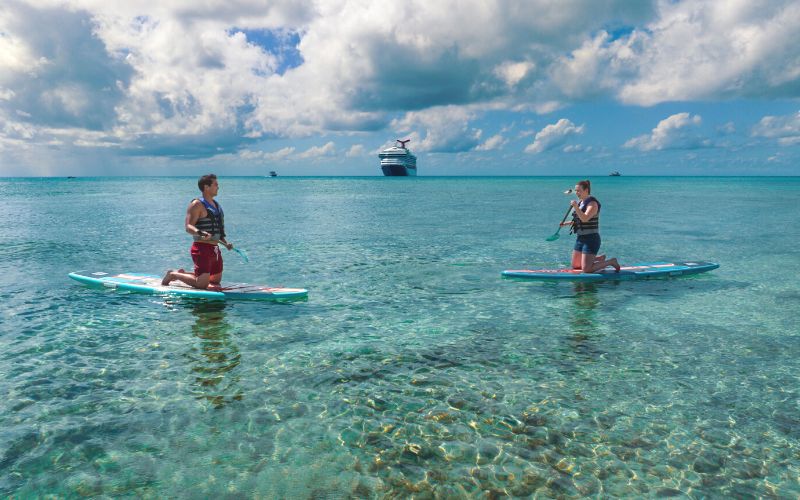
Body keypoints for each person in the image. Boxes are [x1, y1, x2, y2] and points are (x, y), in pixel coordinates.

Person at [162, 174, 233, 289]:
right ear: (206, 187)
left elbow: (219, 229)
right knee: (202, 284)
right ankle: (172, 274)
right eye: (215, 185)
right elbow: (188, 226)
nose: (218, 187)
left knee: (215, 282)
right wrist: (200, 233)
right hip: (202, 248)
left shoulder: (217, 206)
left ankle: (183, 274)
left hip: (215, 249)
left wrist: (226, 243)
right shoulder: (197, 204)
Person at [560, 179, 621, 273]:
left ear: (586, 190)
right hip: (580, 238)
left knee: (586, 269)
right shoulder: (581, 203)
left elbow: (585, 218)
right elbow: (579, 220)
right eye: (575, 190)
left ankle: (611, 261)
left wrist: (575, 207)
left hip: (591, 239)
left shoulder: (592, 203)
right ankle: (599, 258)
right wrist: (566, 223)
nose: (576, 193)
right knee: (576, 266)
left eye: (579, 190)